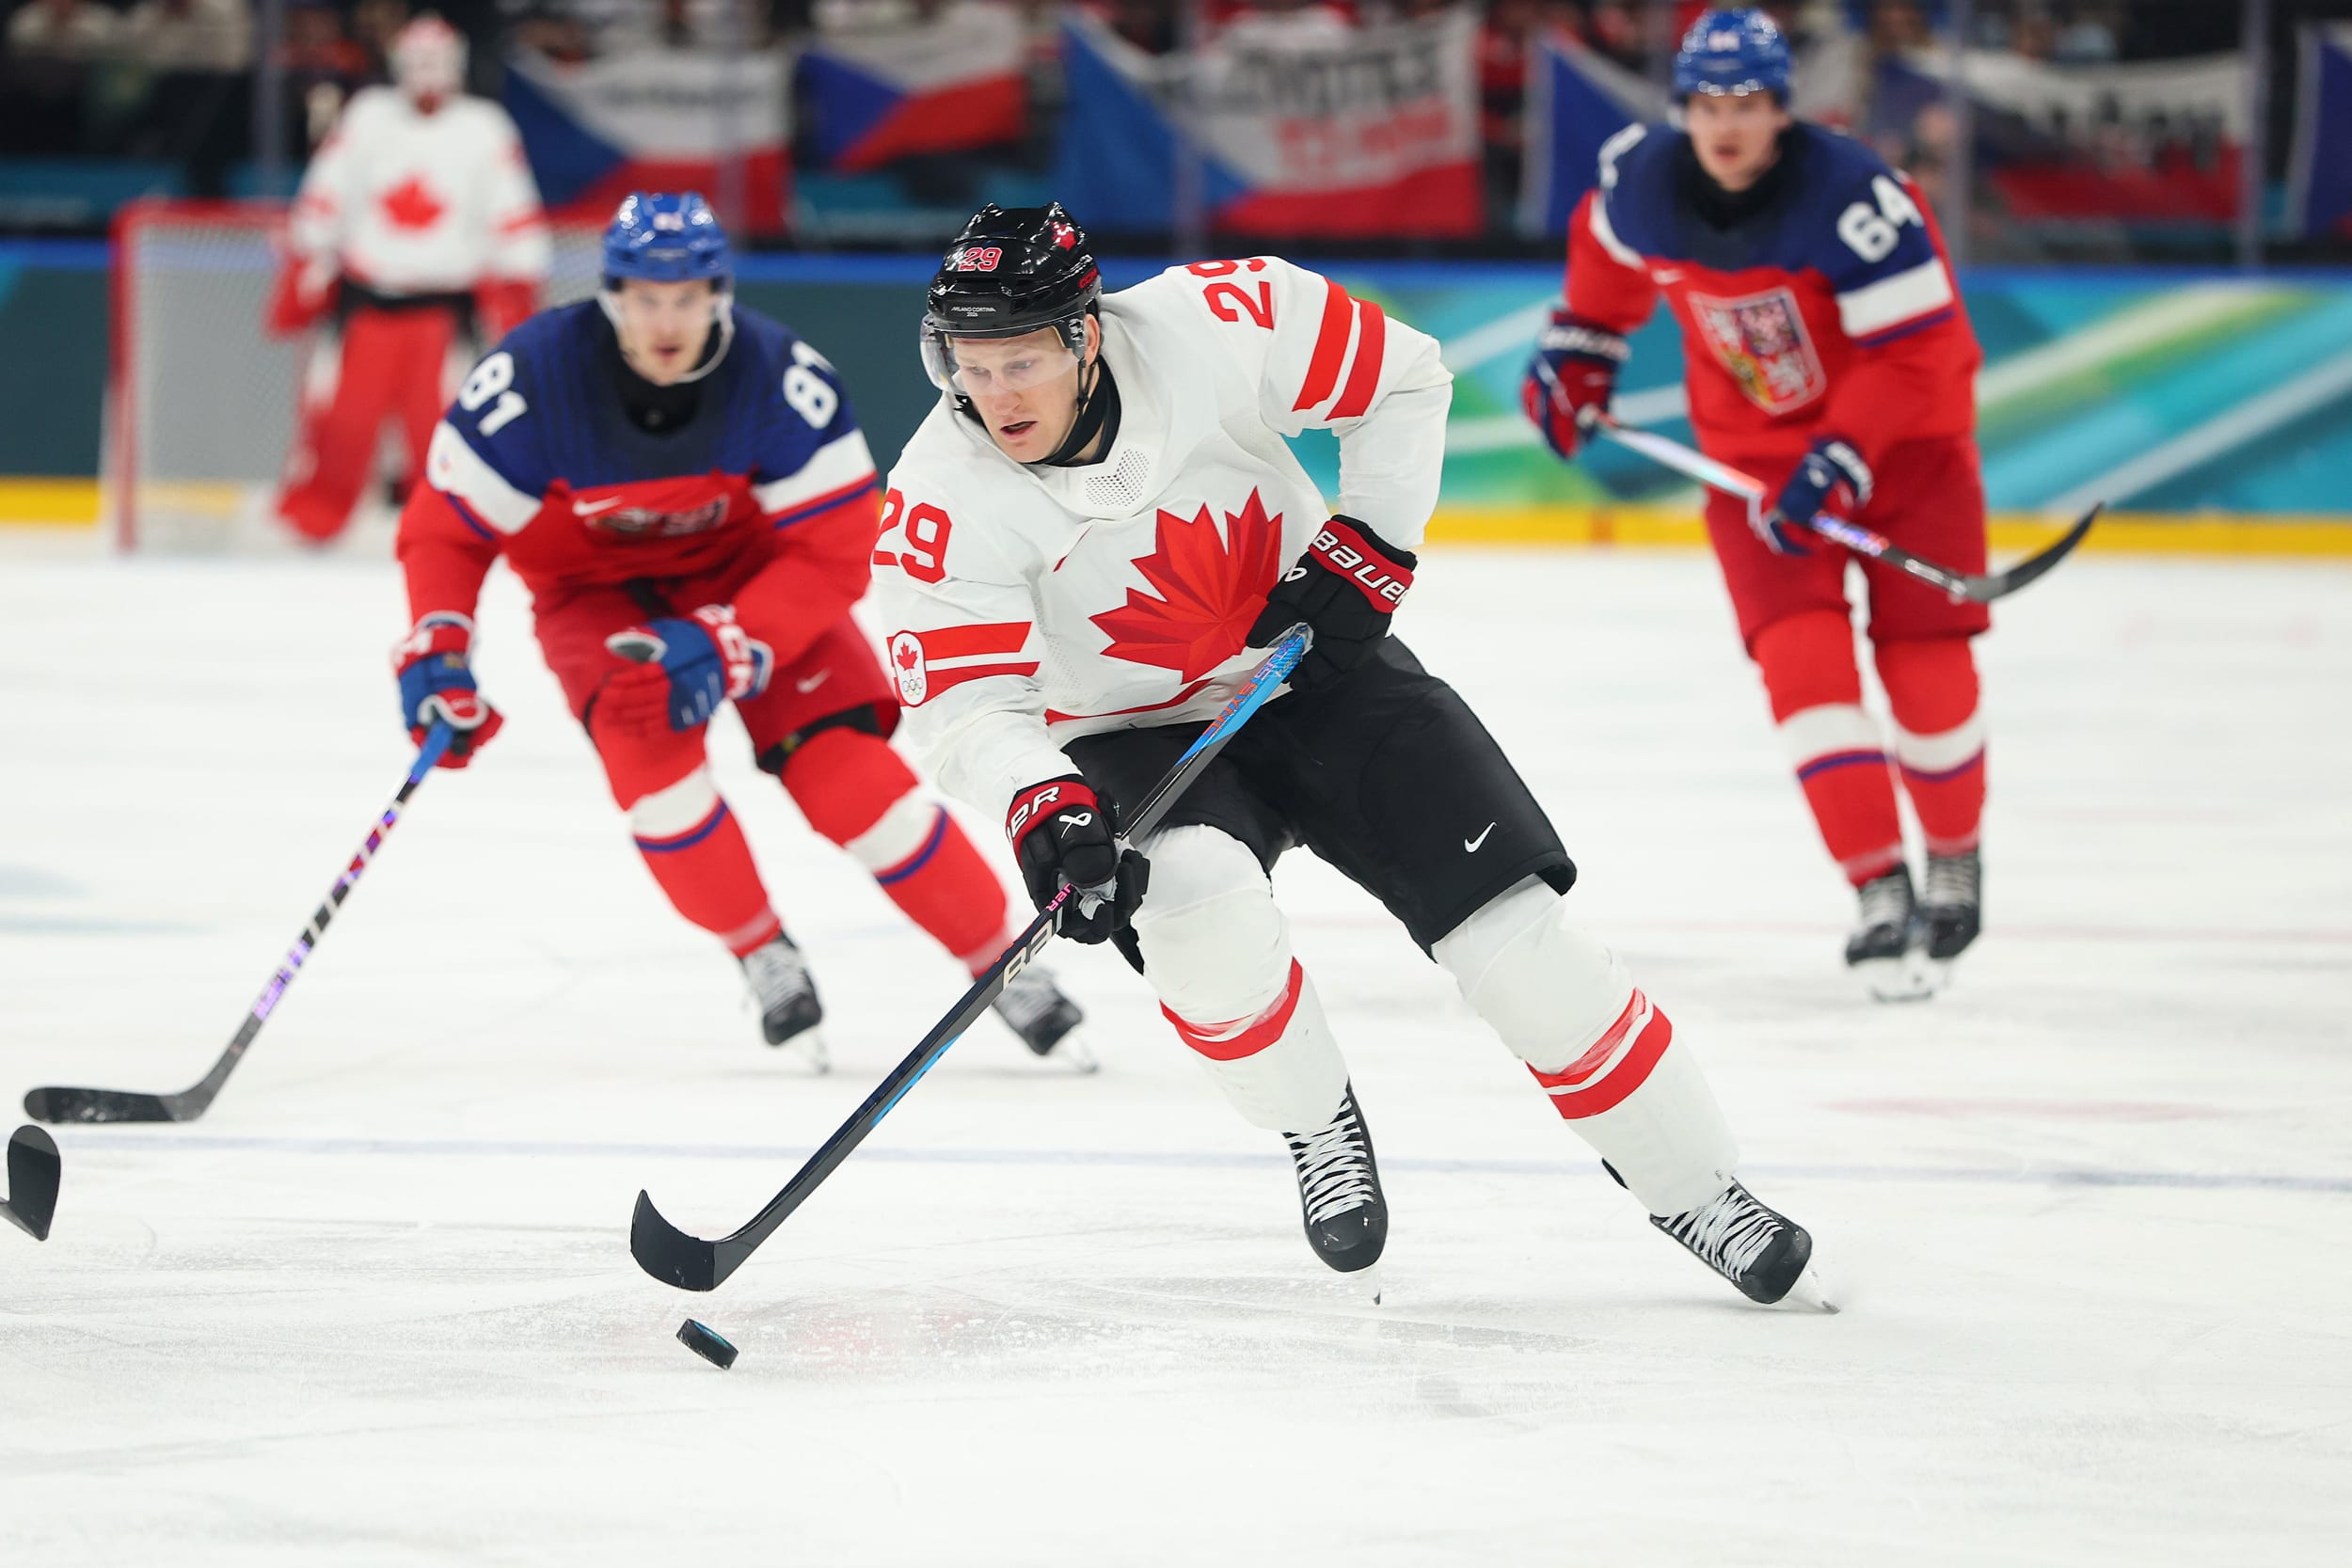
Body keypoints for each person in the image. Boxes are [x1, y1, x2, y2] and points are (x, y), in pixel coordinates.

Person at [875, 202, 1829, 1309]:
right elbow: (964, 701)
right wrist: (1044, 801)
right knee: (1196, 912)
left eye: (1022, 360)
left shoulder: (1218, 321)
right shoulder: (939, 492)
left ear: (1086, 334)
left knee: (1515, 939)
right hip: (1124, 729)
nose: (995, 396)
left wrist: (1371, 538)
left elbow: (1404, 380)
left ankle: (1698, 1189)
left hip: (1308, 664)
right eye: (971, 364)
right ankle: (1311, 1115)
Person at [391, 192, 1089, 1068]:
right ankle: (763, 950)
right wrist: (437, 646)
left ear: (719, 293)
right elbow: (448, 527)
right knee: (658, 785)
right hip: (596, 599)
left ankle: (1001, 960)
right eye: (647, 296)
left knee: (855, 786)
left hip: (752, 584)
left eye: (687, 296)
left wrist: (732, 637)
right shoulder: (533, 377)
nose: (667, 319)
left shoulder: (776, 375)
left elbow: (837, 548)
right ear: (612, 295)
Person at [1522, 8, 1987, 1000]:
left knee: (1923, 660)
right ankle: (1877, 887)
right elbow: (1604, 269)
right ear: (1681, 105)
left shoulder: (1857, 196)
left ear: (1783, 107)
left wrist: (1844, 455)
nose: (1726, 122)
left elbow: (1917, 352)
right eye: (1707, 101)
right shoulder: (1638, 183)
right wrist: (1580, 348)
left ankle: (1952, 854)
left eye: (1749, 101)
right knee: (1801, 664)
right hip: (1757, 472)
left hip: (1906, 456)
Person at [268, 13, 548, 544]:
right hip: (366, 302)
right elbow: (328, 191)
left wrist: (519, 278)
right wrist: (311, 254)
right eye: (415, 61)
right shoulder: (368, 116)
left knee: (444, 428)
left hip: (443, 309)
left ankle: (449, 527)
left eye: (437, 62)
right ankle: (314, 522)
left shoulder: (484, 126)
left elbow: (512, 210)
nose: (426, 73)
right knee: (340, 421)